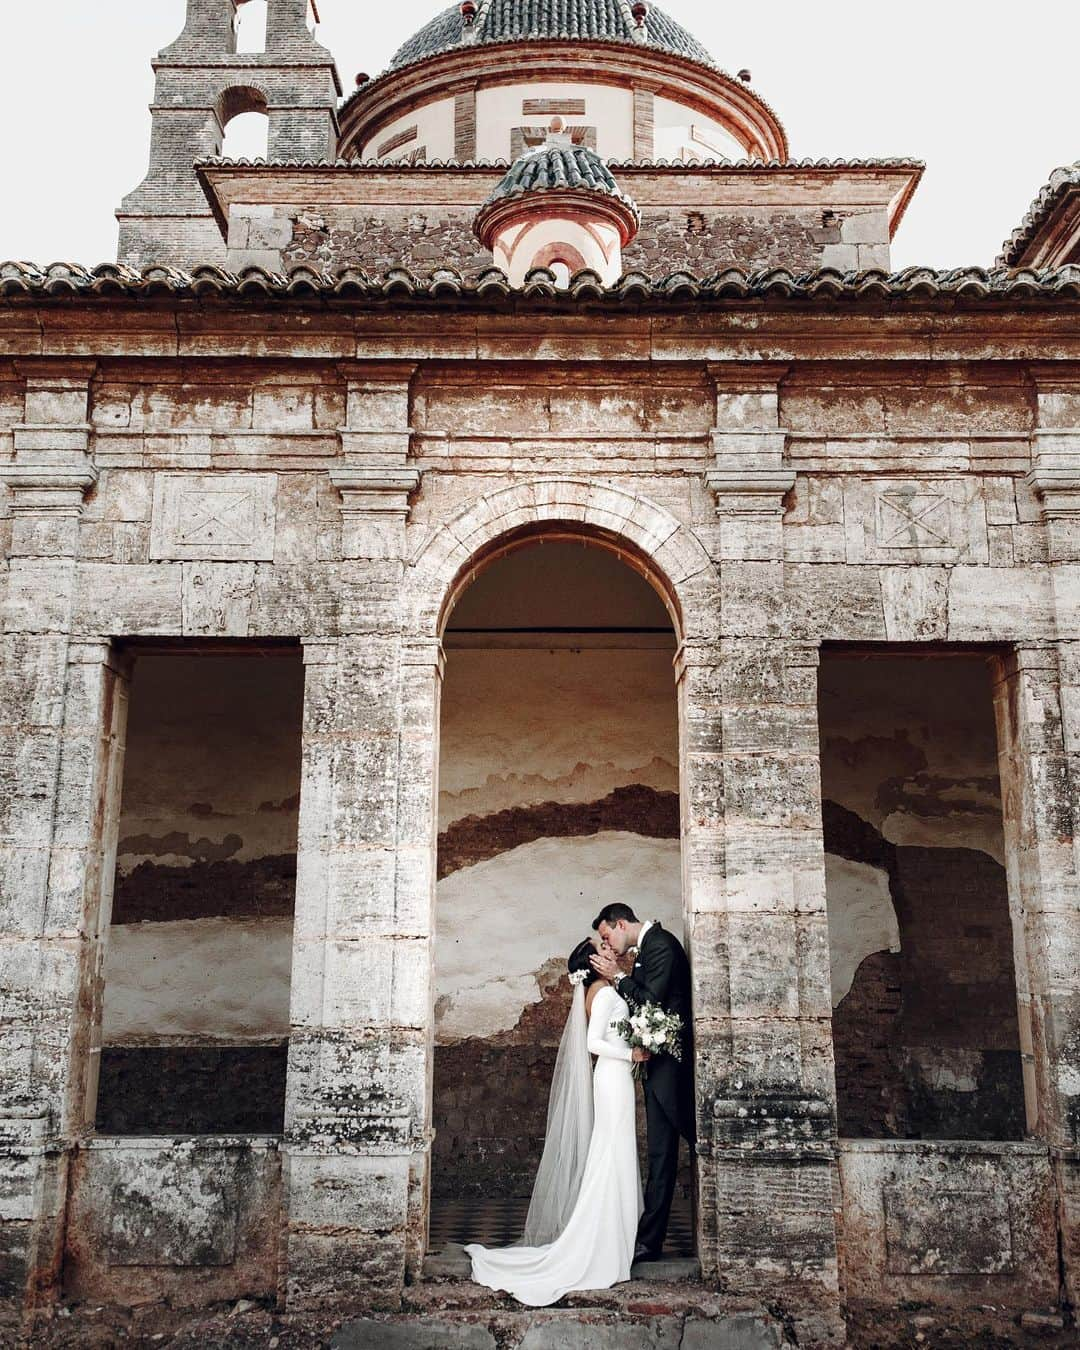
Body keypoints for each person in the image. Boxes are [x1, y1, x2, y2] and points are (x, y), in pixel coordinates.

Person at [465, 935, 649, 1306]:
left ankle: (616, 1238)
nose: (608, 948)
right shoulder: (603, 993)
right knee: (610, 1155)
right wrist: (632, 1054)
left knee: (614, 1153)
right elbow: (593, 1043)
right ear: (593, 963)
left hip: (614, 1078)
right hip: (613, 1076)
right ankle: (603, 1245)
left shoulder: (601, 990)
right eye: (602, 948)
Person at [590, 903, 694, 1264]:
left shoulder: (660, 945)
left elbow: (651, 1000)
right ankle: (647, 1238)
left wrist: (618, 977)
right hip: (655, 1064)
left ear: (621, 924)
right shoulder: (648, 948)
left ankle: (649, 1242)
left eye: (607, 936)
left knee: (664, 1153)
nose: (609, 944)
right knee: (660, 1154)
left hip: (670, 1068)